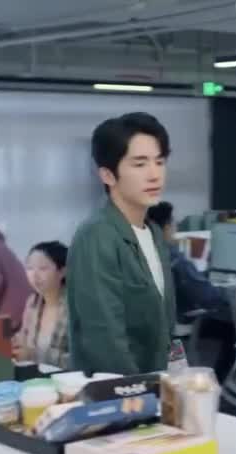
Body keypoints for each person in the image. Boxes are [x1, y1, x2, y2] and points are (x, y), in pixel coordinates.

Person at [68, 113, 178, 376]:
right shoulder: (97, 235)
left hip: (157, 384)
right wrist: (139, 392)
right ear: (108, 175)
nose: (154, 175)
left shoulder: (152, 232)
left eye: (159, 162)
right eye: (139, 164)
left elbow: (164, 327)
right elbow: (105, 340)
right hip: (119, 391)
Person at [147, 201, 236, 379]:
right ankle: (218, 381)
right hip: (180, 322)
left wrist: (200, 276)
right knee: (231, 325)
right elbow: (208, 297)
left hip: (156, 325)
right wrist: (235, 294)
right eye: (173, 224)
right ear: (166, 228)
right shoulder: (174, 259)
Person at [12, 241, 70, 369]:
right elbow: (23, 337)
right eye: (29, 268)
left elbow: (82, 359)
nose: (34, 275)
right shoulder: (33, 302)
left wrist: (32, 356)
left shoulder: (75, 305)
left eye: (43, 268)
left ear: (62, 271)